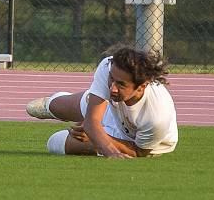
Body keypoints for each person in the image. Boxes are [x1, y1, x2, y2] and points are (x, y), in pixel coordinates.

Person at [25, 44, 178, 158]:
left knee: (55, 143)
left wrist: (103, 141)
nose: (113, 89)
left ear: (142, 86)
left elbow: (139, 151)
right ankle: (51, 104)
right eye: (112, 79)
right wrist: (104, 144)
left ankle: (97, 130)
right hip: (111, 108)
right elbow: (92, 121)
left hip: (132, 142)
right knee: (55, 106)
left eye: (121, 85)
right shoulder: (108, 66)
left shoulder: (157, 117)